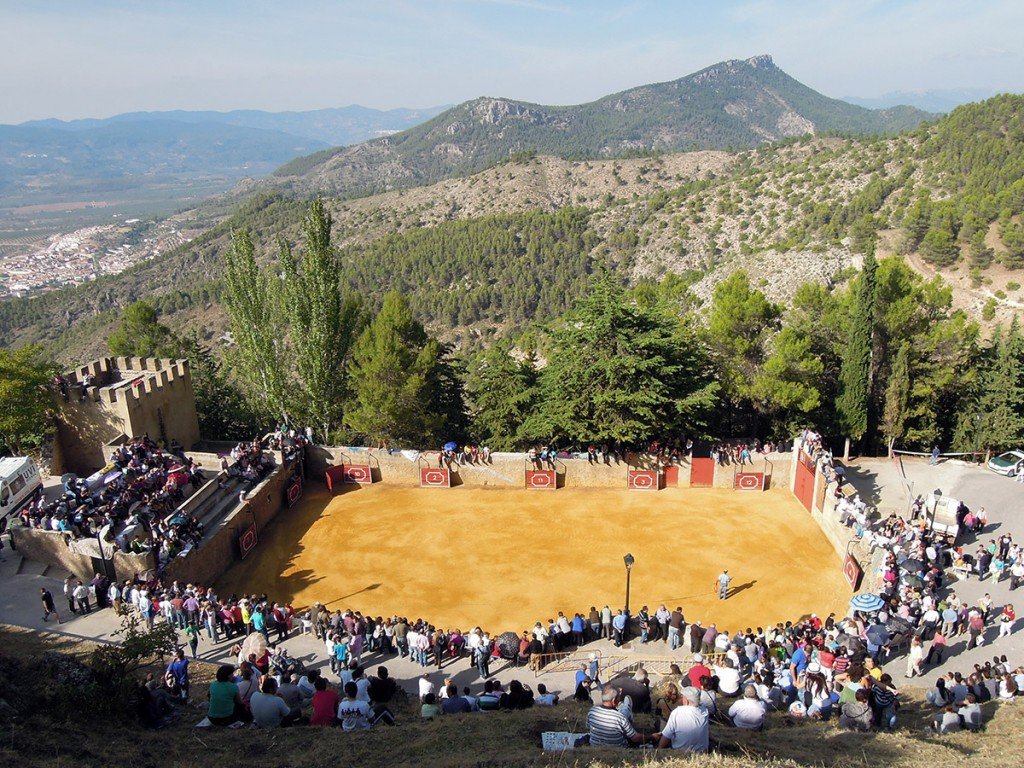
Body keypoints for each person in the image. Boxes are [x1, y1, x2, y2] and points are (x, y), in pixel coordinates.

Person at [657, 687, 709, 752]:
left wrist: (659, 748)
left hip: (680, 751)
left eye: (683, 697)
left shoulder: (677, 712)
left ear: (686, 700)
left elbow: (666, 735)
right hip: (701, 751)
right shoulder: (705, 711)